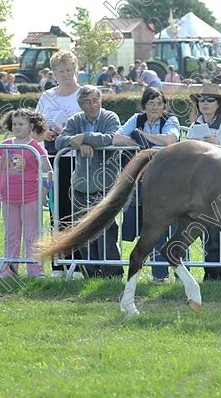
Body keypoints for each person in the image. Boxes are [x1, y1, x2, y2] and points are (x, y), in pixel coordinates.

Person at [55, 85, 130, 278]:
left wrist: (85, 138)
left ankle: (112, 273)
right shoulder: (75, 120)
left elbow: (111, 138)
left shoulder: (110, 117)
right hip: (80, 184)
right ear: (80, 105)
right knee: (84, 229)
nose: (93, 105)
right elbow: (59, 141)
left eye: (96, 100)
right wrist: (79, 143)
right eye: (87, 101)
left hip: (105, 185)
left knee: (106, 228)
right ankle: (91, 273)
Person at [116, 87, 180, 283]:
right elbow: (118, 138)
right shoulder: (136, 119)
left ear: (164, 106)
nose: (155, 107)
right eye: (151, 103)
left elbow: (171, 139)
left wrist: (142, 139)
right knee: (147, 228)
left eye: (159, 103)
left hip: (168, 184)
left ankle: (179, 273)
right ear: (144, 106)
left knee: (170, 229)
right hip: (142, 182)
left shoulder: (171, 120)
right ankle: (158, 275)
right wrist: (141, 140)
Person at [187, 82, 221, 281]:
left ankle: (219, 275)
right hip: (199, 187)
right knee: (204, 230)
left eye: (210, 100)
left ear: (218, 104)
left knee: (217, 230)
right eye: (201, 100)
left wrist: (219, 145)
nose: (205, 103)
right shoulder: (194, 126)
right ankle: (209, 274)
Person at [35, 49, 83, 278]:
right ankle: (59, 263)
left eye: (69, 70)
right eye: (60, 71)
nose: (65, 74)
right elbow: (36, 126)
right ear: (53, 73)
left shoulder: (84, 94)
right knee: (57, 211)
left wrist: (69, 134)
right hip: (55, 159)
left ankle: (80, 263)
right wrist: (47, 133)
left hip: (80, 160)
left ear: (76, 70)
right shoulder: (47, 97)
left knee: (79, 210)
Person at [0, 109, 52, 279]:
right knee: (11, 235)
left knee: (32, 235)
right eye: (14, 124)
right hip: (8, 198)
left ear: (31, 126)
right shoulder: (5, 145)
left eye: (21, 124)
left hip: (31, 198)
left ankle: (35, 271)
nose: (17, 127)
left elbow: (48, 171)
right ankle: (9, 271)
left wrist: (44, 194)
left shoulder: (36, 147)